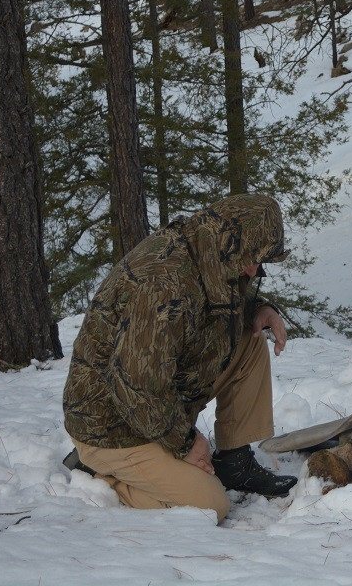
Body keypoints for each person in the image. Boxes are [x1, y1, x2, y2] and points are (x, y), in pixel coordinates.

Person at [62, 194, 298, 523]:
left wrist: (258, 311)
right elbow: (136, 384)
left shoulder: (210, 250)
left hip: (149, 404)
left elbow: (204, 311)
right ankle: (101, 473)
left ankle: (234, 461)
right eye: (255, 258)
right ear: (232, 241)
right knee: (210, 505)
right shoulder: (164, 285)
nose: (255, 269)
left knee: (251, 342)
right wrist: (186, 443)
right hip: (112, 425)